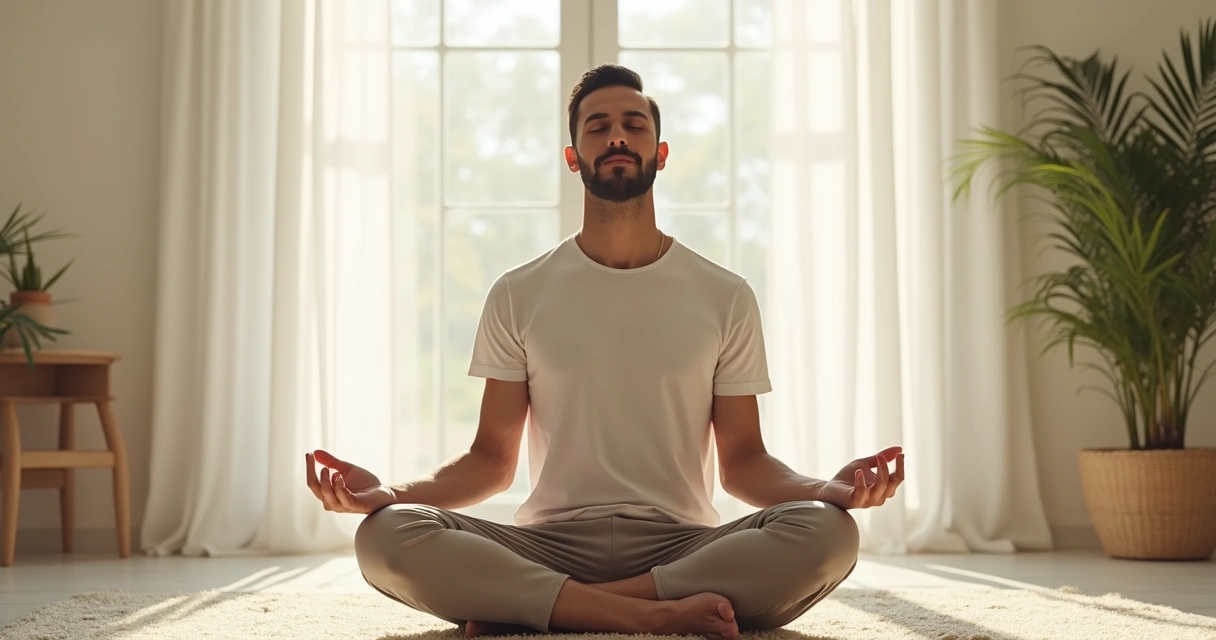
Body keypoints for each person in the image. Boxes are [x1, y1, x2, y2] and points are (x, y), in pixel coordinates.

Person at [305, 64, 905, 640]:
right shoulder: (519, 292)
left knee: (829, 533)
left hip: (682, 546)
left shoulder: (725, 295)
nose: (616, 134)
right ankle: (648, 616)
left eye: (634, 124)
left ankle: (547, 607)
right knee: (386, 536)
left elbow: (744, 461)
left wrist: (828, 490)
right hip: (550, 543)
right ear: (573, 158)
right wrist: (388, 497)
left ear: (660, 154)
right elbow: (491, 459)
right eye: (597, 126)